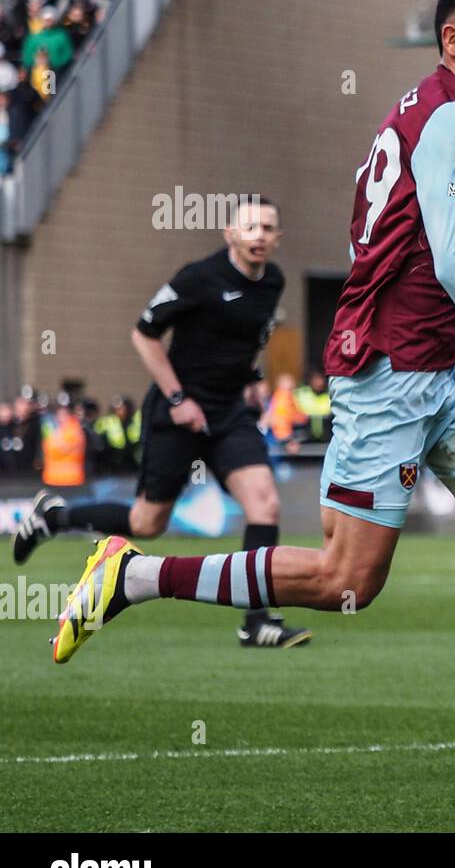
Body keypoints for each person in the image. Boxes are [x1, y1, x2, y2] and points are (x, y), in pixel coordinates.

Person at [47, 0, 455, 786]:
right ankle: (133, 573)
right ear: (453, 40)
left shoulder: (419, 107)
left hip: (435, 369)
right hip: (392, 375)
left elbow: (397, 247)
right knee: (345, 580)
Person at [14, 197, 310, 649]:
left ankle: (256, 621)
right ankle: (55, 516)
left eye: (268, 228)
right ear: (229, 233)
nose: (259, 235)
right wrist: (177, 397)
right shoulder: (199, 277)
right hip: (177, 413)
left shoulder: (273, 281)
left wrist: (252, 378)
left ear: (277, 238)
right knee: (147, 522)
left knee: (265, 504)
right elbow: (144, 332)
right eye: (250, 226)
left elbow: (248, 337)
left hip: (228, 414)